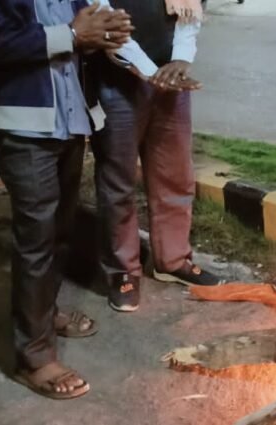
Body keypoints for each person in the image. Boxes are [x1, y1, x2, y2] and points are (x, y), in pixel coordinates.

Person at [0, 0, 134, 399]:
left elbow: (81, 16)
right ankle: (34, 357)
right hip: (19, 121)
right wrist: (72, 34)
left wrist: (104, 31)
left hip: (69, 111)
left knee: (59, 230)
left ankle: (44, 315)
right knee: (38, 238)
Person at [90, 0, 223, 313]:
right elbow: (102, 19)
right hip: (117, 80)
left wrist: (181, 58)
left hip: (171, 77)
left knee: (174, 174)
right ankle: (123, 269)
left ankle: (172, 260)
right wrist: (153, 73)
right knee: (117, 181)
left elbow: (191, 9)